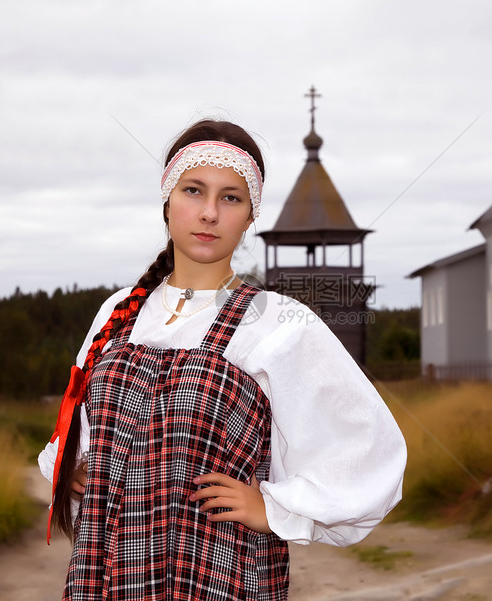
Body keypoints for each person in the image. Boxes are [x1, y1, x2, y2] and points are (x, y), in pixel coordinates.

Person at [38, 119, 407, 601]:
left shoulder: (278, 321)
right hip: (104, 574)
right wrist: (76, 464)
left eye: (230, 198)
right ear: (167, 201)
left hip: (217, 573)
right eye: (194, 191)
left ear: (250, 216)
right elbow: (79, 431)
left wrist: (273, 508)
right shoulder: (122, 310)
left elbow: (370, 449)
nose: (209, 212)